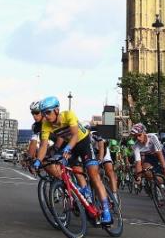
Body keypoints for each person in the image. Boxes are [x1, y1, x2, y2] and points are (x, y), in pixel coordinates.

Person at [33, 96, 112, 224]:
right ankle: (84, 191)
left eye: (48, 112)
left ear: (57, 110)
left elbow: (75, 135)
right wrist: (37, 161)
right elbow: (43, 145)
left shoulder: (68, 115)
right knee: (68, 168)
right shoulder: (46, 125)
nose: (46, 116)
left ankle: (107, 210)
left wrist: (67, 148)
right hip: (71, 146)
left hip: (83, 142)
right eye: (44, 113)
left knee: (93, 175)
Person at [130, 122, 165, 216]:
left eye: (139, 135)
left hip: (161, 155)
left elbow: (159, 153)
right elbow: (138, 163)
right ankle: (159, 187)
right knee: (146, 170)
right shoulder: (136, 146)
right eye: (135, 136)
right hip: (149, 158)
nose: (138, 138)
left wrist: (164, 167)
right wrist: (139, 176)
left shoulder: (152, 137)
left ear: (144, 133)